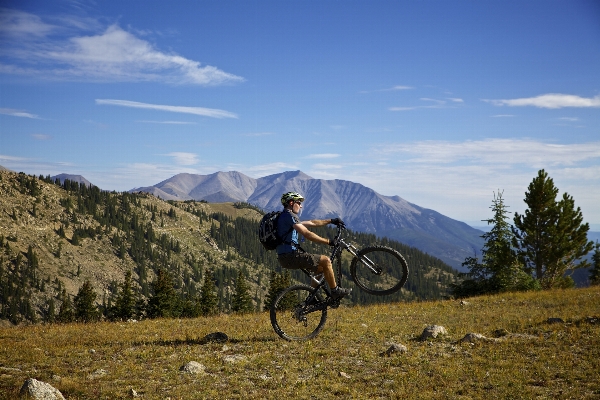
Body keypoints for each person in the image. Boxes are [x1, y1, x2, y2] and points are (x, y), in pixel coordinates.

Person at [276, 191, 352, 299]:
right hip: (290, 256)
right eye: (299, 202)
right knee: (326, 261)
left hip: (286, 256)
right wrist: (329, 242)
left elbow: (312, 223)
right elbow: (307, 234)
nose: (301, 206)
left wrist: (331, 221)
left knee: (320, 269)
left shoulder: (285, 216)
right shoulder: (289, 216)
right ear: (291, 203)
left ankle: (312, 298)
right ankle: (335, 291)